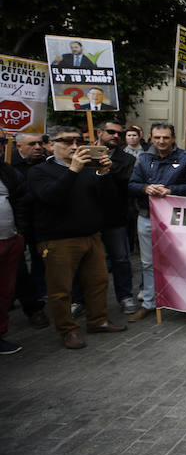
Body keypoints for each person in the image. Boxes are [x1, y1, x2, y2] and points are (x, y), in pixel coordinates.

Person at [28, 126, 126, 348]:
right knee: (61, 288)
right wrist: (73, 170)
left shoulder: (87, 169)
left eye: (78, 141)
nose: (74, 146)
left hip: (91, 236)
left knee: (99, 282)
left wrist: (103, 174)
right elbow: (51, 197)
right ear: (50, 145)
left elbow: (109, 200)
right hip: (58, 240)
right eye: (67, 141)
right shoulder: (39, 171)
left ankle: (98, 321)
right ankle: (68, 329)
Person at [128, 123, 186, 322]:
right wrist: (145, 188)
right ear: (151, 138)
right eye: (157, 137)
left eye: (166, 137)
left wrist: (171, 191)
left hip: (177, 220)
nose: (161, 141)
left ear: (173, 138)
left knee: (181, 261)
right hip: (146, 216)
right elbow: (132, 184)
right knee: (148, 262)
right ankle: (149, 302)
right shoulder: (143, 159)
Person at [73, 121, 138, 314]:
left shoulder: (126, 159)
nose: (116, 136)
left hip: (114, 218)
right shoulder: (82, 155)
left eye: (120, 133)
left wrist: (108, 170)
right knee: (82, 261)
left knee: (120, 260)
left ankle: (125, 297)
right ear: (99, 132)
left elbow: (127, 183)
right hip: (85, 218)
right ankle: (78, 299)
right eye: (111, 132)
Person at [11, 133, 49, 328]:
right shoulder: (9, 165)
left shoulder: (43, 164)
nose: (37, 147)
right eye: (32, 144)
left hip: (36, 222)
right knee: (17, 269)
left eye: (40, 143)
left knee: (38, 259)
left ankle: (36, 300)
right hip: (16, 226)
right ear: (18, 146)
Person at [0, 129, 26, 353]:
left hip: (9, 239)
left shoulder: (7, 171)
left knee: (5, 291)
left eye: (1, 141)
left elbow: (19, 200)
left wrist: (19, 232)